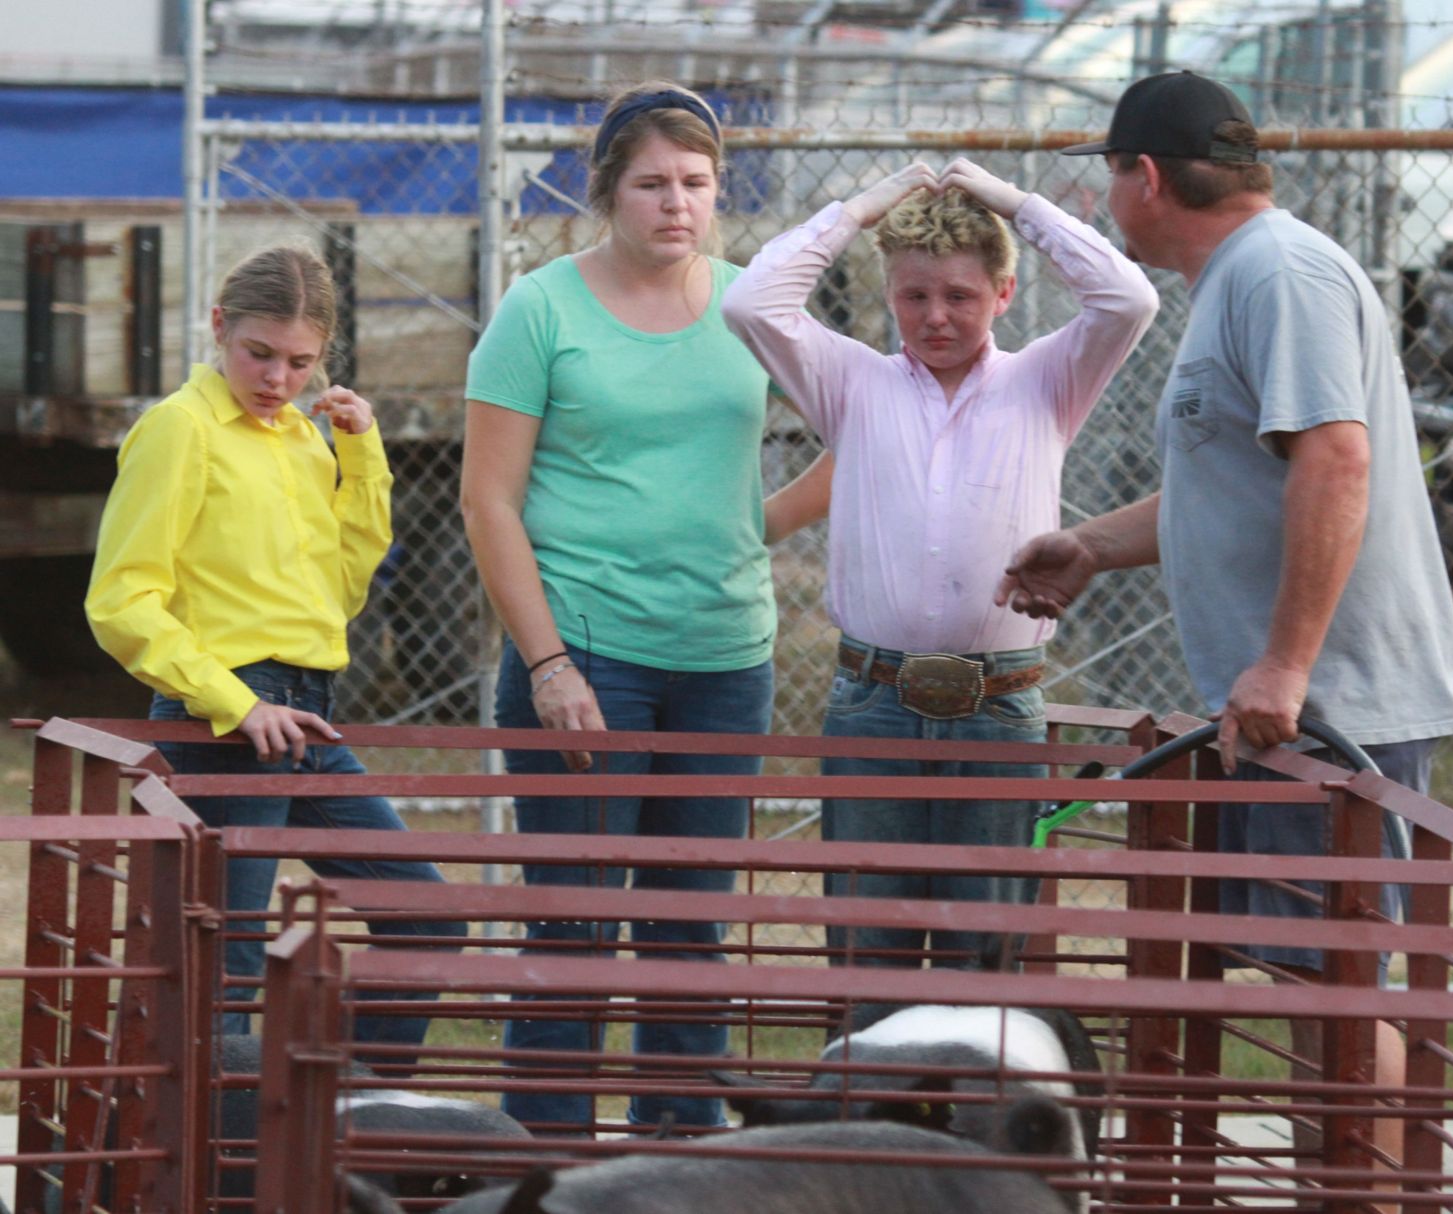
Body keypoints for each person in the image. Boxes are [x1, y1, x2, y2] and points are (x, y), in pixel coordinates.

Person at [996, 70, 1453, 1192]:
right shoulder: (1238, 278)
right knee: (1309, 982)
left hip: (1330, 705)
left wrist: (1287, 660)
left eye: (1109, 171)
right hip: (1288, 702)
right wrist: (1091, 546)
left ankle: (1364, 1195)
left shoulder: (1281, 272)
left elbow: (1333, 459)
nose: (1109, 189)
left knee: (1335, 991)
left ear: (1143, 177)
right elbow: (1241, 479)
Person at [460, 80, 831, 1134]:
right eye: (653, 184)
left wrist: (738, 529)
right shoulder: (541, 308)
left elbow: (868, 424)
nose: (678, 204)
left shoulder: (755, 303)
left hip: (724, 657)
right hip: (585, 655)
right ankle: (541, 1166)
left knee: (693, 928)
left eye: (698, 184)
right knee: (574, 926)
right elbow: (487, 501)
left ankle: (677, 1159)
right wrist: (548, 665)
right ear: (607, 193)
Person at [722, 158, 1158, 969]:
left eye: (960, 296)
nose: (935, 318)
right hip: (874, 703)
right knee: (867, 954)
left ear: (1003, 295)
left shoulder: (1046, 381)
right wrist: (858, 209)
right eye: (914, 296)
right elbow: (751, 300)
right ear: (890, 296)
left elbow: (1128, 299)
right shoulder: (851, 382)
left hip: (999, 705)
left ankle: (971, 1097)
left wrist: (1014, 203)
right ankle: (871, 1100)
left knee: (982, 960)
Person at [85, 243, 467, 1051]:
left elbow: (340, 590)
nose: (276, 379)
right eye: (258, 354)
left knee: (429, 920)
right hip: (224, 714)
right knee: (225, 965)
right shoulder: (178, 430)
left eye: (299, 363)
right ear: (220, 327)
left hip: (308, 711)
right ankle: (224, 1168)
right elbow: (121, 600)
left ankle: (339, 1126)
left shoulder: (302, 437)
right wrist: (235, 701)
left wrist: (361, 454)